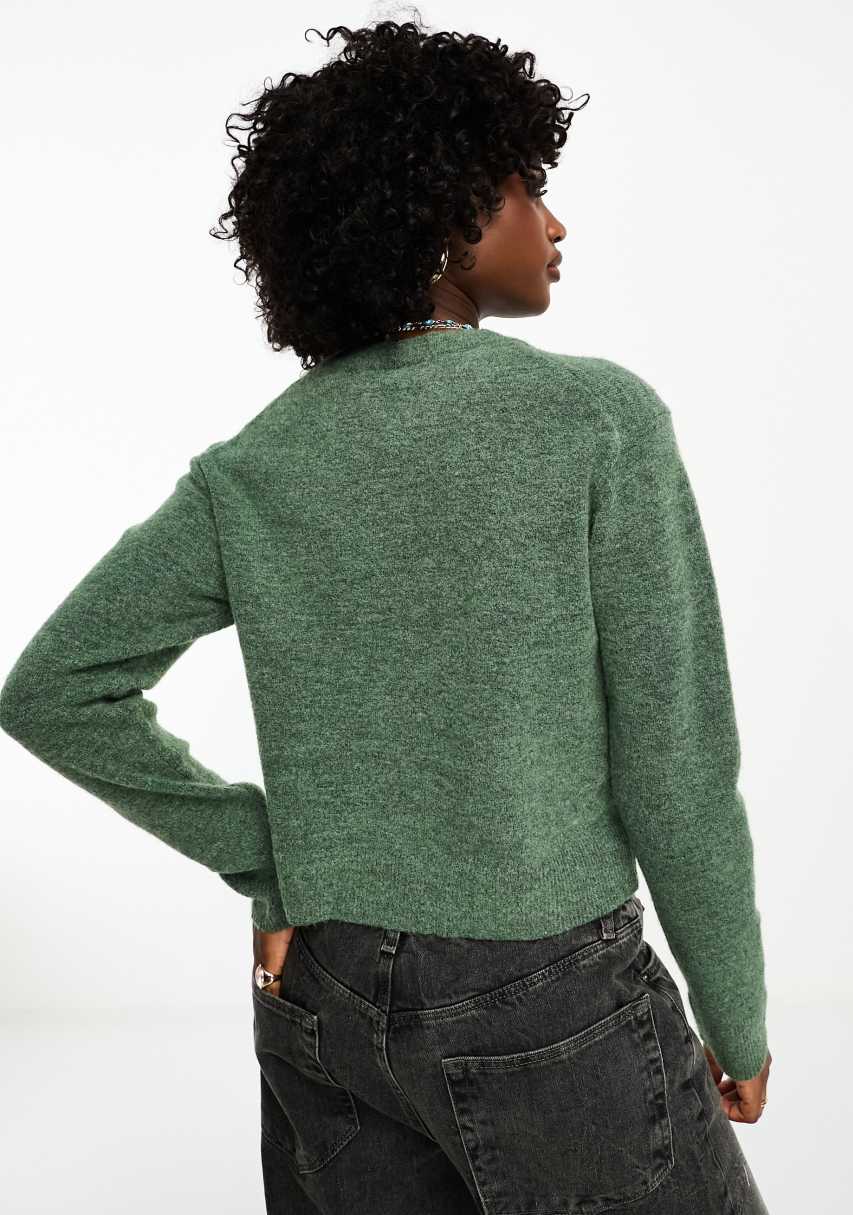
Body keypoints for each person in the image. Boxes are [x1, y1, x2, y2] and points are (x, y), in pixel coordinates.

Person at [0, 18, 772, 1214]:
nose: (555, 225)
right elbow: (674, 759)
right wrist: (738, 1012)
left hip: (324, 991)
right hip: (544, 1000)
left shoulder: (256, 467)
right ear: (446, 216)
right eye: (526, 190)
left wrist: (271, 864)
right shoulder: (594, 421)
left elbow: (53, 689)